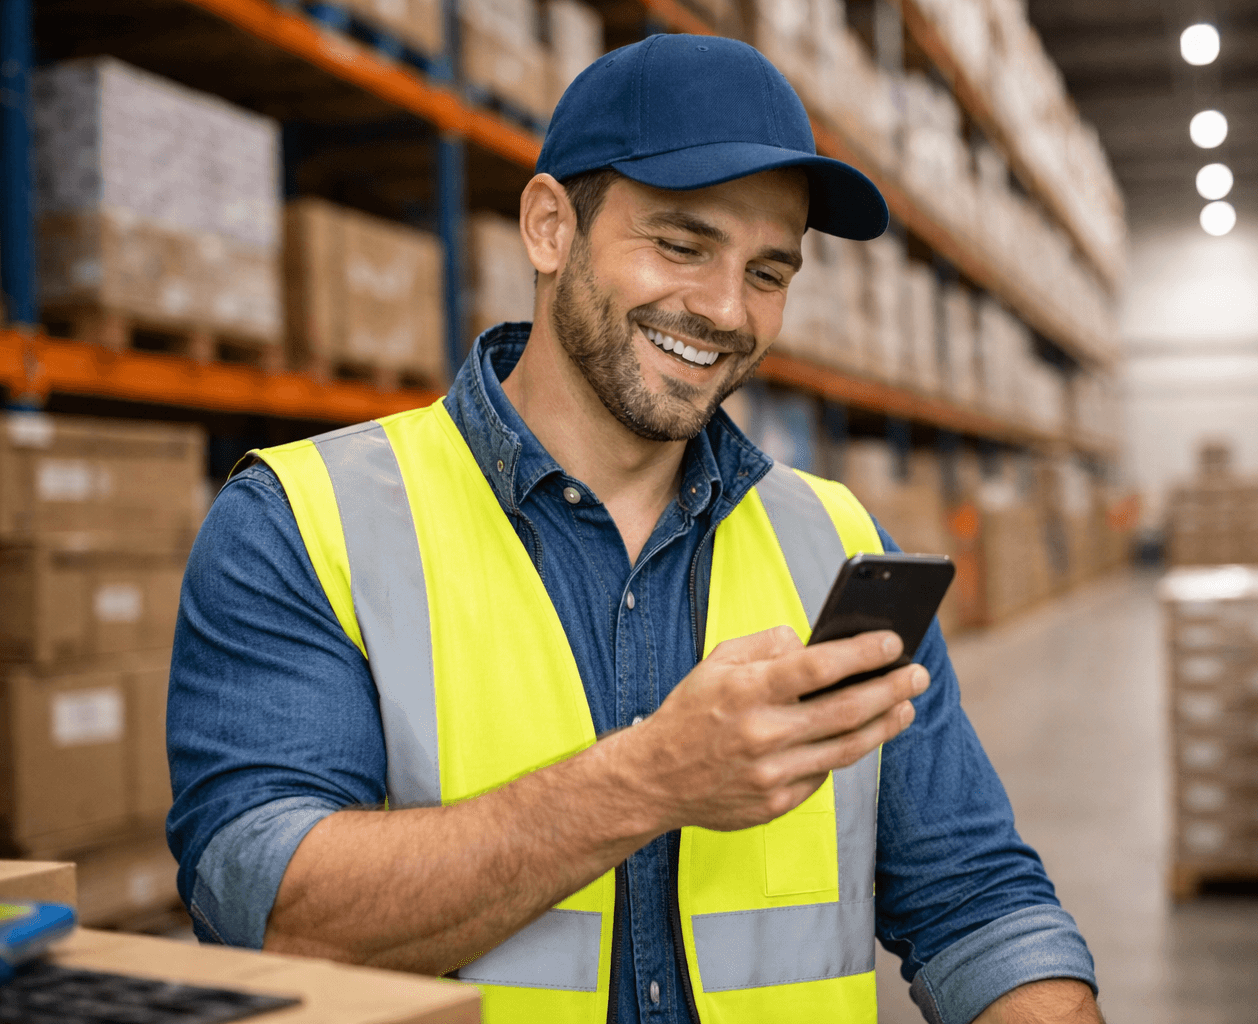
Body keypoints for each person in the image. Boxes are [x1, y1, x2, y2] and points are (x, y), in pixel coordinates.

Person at [167, 32, 1102, 1024]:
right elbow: (263, 908)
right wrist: (648, 780)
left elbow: (978, 898)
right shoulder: (308, 520)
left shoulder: (830, 536)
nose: (723, 309)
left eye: (770, 272)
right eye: (682, 244)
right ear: (548, 228)